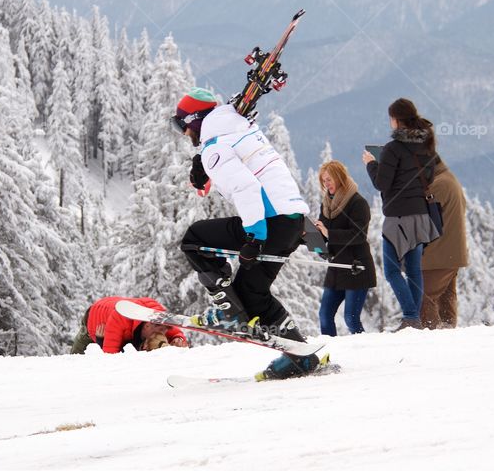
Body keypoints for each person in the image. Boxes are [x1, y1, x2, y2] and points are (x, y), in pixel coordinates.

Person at [171, 87, 317, 379]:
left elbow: (246, 188)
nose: (186, 134)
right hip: (291, 220)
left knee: (194, 240)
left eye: (185, 126)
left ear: (196, 121)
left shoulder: (215, 146)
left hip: (269, 223)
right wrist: (202, 163)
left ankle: (228, 307)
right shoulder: (239, 130)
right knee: (253, 293)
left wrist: (254, 238)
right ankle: (301, 357)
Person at [363, 98, 440, 331]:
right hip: (420, 214)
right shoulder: (427, 145)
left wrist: (371, 164)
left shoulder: (393, 149)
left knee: (392, 270)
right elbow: (429, 179)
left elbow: (381, 184)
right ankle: (414, 320)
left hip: (398, 218)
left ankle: (410, 317)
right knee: (414, 270)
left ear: (395, 120)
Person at [314, 160, 377, 336]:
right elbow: (324, 237)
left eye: (329, 179)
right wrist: (313, 239)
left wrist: (329, 233)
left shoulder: (357, 202)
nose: (326, 184)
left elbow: (358, 235)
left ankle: (364, 350)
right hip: (337, 267)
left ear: (340, 178)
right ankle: (329, 353)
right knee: (325, 315)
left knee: (351, 318)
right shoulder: (326, 204)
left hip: (356, 267)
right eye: (323, 181)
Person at [420, 160, 469, 329]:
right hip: (450, 253)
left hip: (439, 255)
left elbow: (423, 218)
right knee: (445, 301)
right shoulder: (448, 179)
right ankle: (447, 335)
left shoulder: (438, 185)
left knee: (422, 297)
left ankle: (430, 336)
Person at [70, 296, 188, 354]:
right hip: (93, 317)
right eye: (161, 331)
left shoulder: (159, 322)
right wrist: (101, 340)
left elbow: (173, 330)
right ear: (147, 326)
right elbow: (111, 356)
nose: (163, 333)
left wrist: (178, 338)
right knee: (75, 357)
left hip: (115, 304)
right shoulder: (119, 321)